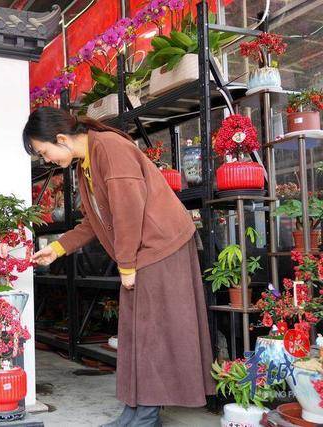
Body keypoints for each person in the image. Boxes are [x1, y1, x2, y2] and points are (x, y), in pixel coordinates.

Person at [24, 107, 215, 427]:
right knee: (137, 333)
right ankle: (136, 412)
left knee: (151, 333)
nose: (48, 160)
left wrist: (126, 264)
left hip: (161, 246)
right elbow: (94, 222)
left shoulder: (109, 149)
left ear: (60, 139)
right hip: (145, 249)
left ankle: (145, 416)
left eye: (45, 152)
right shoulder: (87, 163)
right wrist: (56, 248)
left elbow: (128, 211)